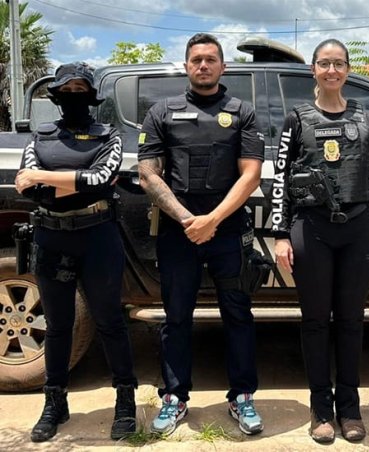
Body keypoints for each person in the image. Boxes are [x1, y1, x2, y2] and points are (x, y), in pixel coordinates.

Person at [137, 33, 265, 436]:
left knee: (238, 315)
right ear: (186, 66)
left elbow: (251, 174)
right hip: (178, 233)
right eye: (197, 60)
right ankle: (175, 398)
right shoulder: (162, 112)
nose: (204, 65)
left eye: (211, 59)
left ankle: (242, 396)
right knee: (176, 318)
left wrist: (212, 220)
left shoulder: (242, 112)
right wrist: (187, 219)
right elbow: (148, 174)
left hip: (229, 231)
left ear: (223, 66)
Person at [272, 39, 369, 444]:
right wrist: (280, 234)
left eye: (339, 64)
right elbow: (280, 180)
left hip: (359, 228)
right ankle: (321, 409)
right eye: (324, 63)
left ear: (347, 70)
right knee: (314, 321)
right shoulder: (296, 119)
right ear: (313, 69)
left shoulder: (367, 119)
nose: (331, 70)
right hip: (312, 228)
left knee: (351, 321)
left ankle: (350, 408)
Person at [15, 62, 138, 442]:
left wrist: (44, 176)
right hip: (51, 238)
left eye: (80, 89)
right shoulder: (40, 137)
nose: (73, 95)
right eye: (66, 90)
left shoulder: (108, 135)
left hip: (98, 237)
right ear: (56, 95)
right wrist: (75, 182)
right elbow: (28, 189)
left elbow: (101, 181)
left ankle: (125, 401)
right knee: (58, 325)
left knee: (110, 321)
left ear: (92, 95)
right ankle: (55, 402)